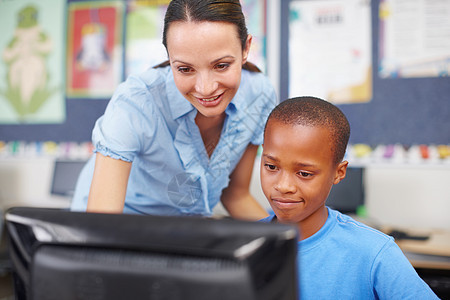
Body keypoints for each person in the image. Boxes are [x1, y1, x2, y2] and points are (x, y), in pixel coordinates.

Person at [71, 0, 277, 219]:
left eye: (221, 65)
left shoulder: (259, 95)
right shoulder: (135, 103)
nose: (205, 89)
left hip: (185, 232)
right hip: (119, 227)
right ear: (169, 57)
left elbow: (236, 195)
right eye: (185, 69)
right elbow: (100, 225)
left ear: (246, 48)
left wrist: (294, 246)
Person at [260, 97, 439, 299]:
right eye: (271, 167)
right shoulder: (243, 245)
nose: (283, 186)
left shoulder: (374, 253)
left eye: (304, 173)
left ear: (339, 172)